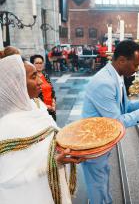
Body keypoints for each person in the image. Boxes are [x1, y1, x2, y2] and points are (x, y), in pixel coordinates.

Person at [81, 40, 139, 204]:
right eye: (135, 65)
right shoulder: (104, 83)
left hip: (102, 141)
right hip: (93, 143)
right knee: (98, 188)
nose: (137, 69)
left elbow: (124, 107)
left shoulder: (116, 76)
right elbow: (117, 121)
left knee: (103, 179)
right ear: (121, 60)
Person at [0, 54, 81, 204]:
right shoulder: (6, 126)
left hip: (54, 186)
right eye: (33, 77)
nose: (40, 81)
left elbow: (52, 137)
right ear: (16, 84)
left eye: (38, 75)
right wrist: (54, 161)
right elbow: (9, 179)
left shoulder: (37, 105)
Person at [30, 54, 57, 120]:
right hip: (41, 110)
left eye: (41, 63)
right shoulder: (32, 78)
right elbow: (32, 97)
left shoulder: (45, 75)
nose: (39, 65)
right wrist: (45, 106)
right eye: (37, 63)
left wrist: (53, 103)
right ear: (32, 64)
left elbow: (52, 90)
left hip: (52, 109)